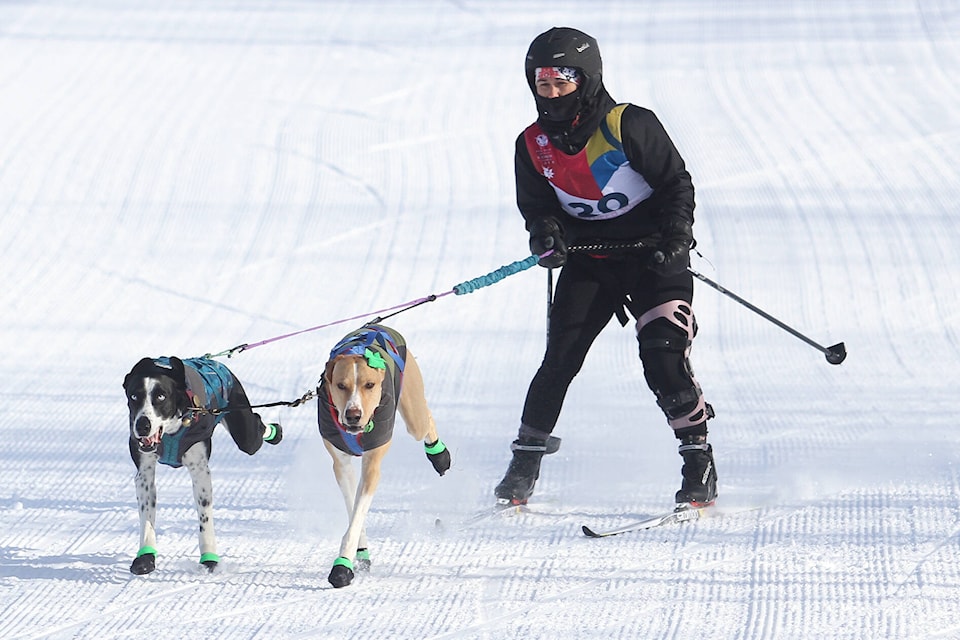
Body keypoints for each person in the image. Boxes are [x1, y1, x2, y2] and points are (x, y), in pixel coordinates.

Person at [494, 27, 717, 510]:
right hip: (591, 263)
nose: (551, 95)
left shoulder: (629, 124)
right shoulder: (532, 144)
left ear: (588, 79)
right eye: (542, 85)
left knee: (662, 354)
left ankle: (698, 463)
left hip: (654, 259)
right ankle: (523, 466)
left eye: (562, 84)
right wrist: (547, 238)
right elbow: (538, 209)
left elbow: (676, 184)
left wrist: (678, 237)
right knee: (559, 362)